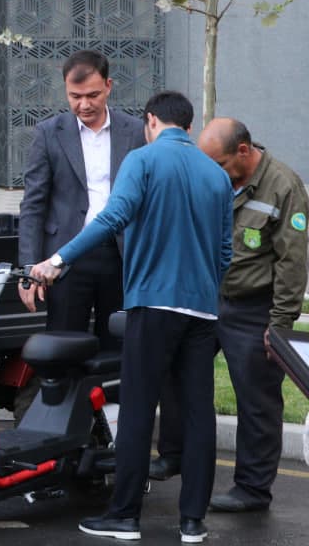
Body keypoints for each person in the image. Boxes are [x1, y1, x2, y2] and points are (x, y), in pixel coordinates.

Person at [30, 91, 231, 543]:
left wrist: (58, 259)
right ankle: (193, 522)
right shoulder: (217, 175)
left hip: (153, 304)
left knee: (139, 409)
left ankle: (124, 516)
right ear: (189, 126)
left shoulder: (141, 160)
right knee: (198, 413)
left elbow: (111, 217)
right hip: (202, 310)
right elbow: (224, 253)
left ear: (151, 121)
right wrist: (203, 287)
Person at [149, 118, 308, 512]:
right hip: (206, 298)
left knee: (256, 397)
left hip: (254, 308)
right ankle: (173, 454)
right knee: (175, 370)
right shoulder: (213, 176)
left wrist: (279, 326)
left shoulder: (283, 186)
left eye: (219, 164)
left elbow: (292, 263)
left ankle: (252, 488)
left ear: (243, 151)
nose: (213, 172)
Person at [18, 50, 145, 349]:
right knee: (63, 344)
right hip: (65, 257)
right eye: (75, 96)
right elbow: (33, 204)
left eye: (92, 95)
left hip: (120, 254)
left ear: (109, 86)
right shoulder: (49, 133)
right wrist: (28, 269)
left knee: (119, 344)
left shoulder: (135, 132)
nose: (84, 104)